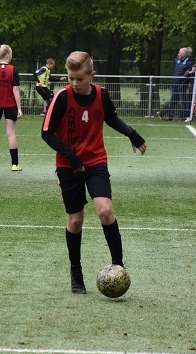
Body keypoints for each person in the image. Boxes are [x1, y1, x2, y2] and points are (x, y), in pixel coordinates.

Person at [41, 51, 147, 294]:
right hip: (68, 166)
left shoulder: (101, 94)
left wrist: (132, 134)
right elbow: (46, 133)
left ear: (92, 76)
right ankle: (76, 269)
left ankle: (118, 267)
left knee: (105, 211)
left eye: (79, 79)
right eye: (70, 78)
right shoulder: (62, 97)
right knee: (75, 221)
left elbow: (111, 118)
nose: (74, 83)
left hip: (96, 161)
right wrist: (72, 157)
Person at [157, 47, 193, 121]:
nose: (178, 54)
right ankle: (168, 115)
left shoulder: (189, 63)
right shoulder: (177, 60)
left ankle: (180, 116)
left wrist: (184, 81)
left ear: (184, 54)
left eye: (180, 53)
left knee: (181, 101)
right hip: (173, 82)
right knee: (173, 100)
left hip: (181, 84)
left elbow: (188, 74)